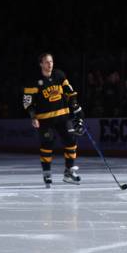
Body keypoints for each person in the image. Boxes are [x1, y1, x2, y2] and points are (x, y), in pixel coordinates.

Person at [23, 53, 84, 188]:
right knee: (47, 143)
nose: (49, 64)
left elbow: (70, 92)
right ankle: (47, 173)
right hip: (45, 119)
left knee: (71, 141)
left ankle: (69, 173)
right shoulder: (34, 81)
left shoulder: (59, 75)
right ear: (41, 64)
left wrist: (74, 104)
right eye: (46, 62)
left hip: (63, 116)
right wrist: (33, 117)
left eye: (51, 61)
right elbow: (27, 102)